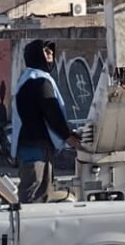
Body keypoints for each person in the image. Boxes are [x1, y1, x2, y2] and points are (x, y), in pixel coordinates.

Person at [11, 39, 82, 203]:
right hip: (35, 148)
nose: (50, 53)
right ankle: (28, 220)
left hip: (34, 146)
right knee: (34, 194)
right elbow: (52, 111)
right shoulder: (38, 80)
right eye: (45, 50)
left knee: (41, 194)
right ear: (35, 54)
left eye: (51, 51)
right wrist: (68, 136)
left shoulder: (30, 78)